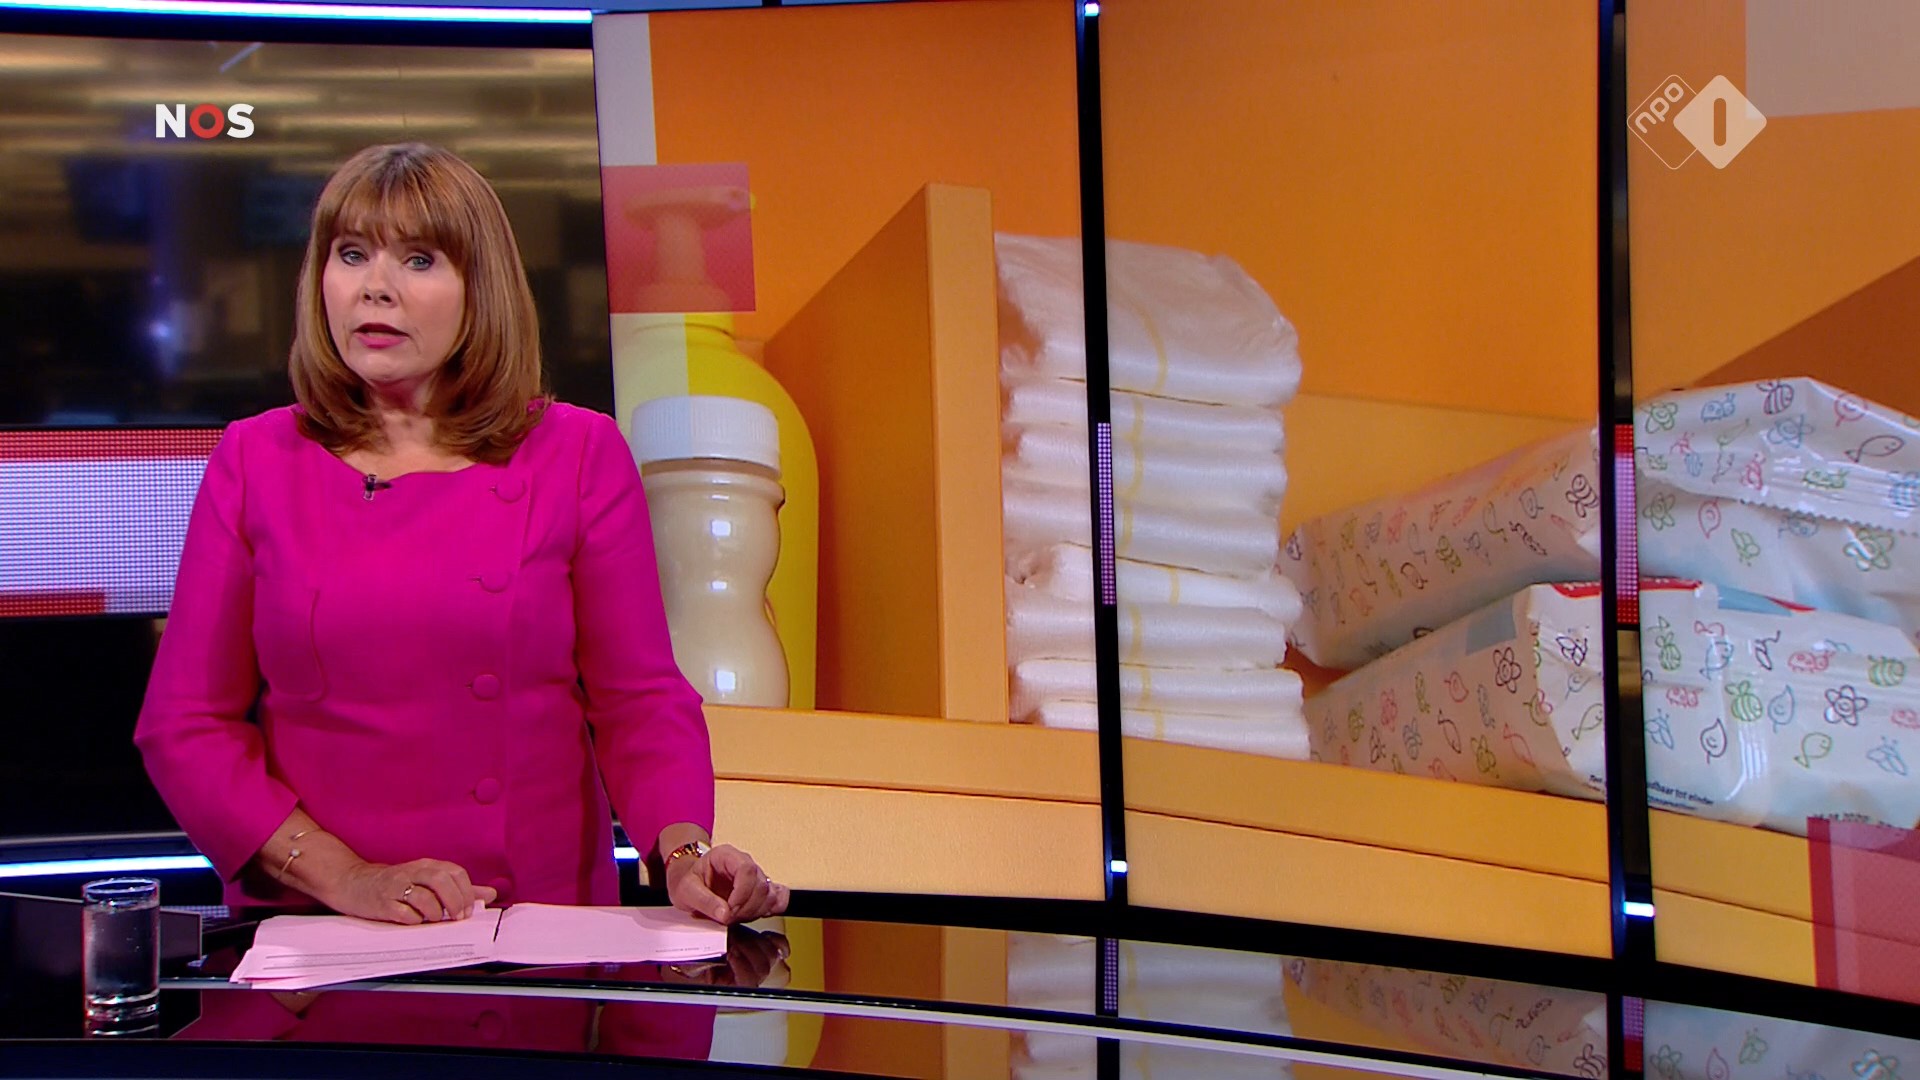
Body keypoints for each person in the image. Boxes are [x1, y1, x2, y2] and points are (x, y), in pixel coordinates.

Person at [135, 142, 786, 927]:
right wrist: (347, 877)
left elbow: (638, 700)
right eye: (352, 254)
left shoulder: (578, 452)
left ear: (481, 289)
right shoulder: (256, 459)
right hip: (318, 928)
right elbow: (186, 727)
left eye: (419, 259)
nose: (375, 286)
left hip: (533, 922)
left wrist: (684, 854)